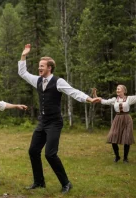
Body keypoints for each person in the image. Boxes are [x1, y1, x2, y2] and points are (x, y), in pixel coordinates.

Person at [18, 44, 100, 194]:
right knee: (33, 151)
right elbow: (23, 73)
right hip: (42, 122)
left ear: (49, 68)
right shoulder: (37, 80)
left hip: (54, 123)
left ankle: (66, 183)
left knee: (50, 154)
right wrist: (24, 56)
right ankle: (39, 182)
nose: (39, 69)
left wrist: (89, 99)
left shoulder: (58, 81)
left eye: (42, 66)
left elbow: (73, 92)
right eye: (39, 66)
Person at [94, 85, 135, 163]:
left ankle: (125, 158)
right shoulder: (114, 100)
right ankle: (117, 156)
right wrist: (95, 94)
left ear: (123, 90)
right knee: (113, 137)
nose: (117, 90)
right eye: (116, 89)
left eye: (118, 89)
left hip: (127, 119)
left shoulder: (129, 99)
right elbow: (102, 101)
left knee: (126, 138)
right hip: (117, 119)